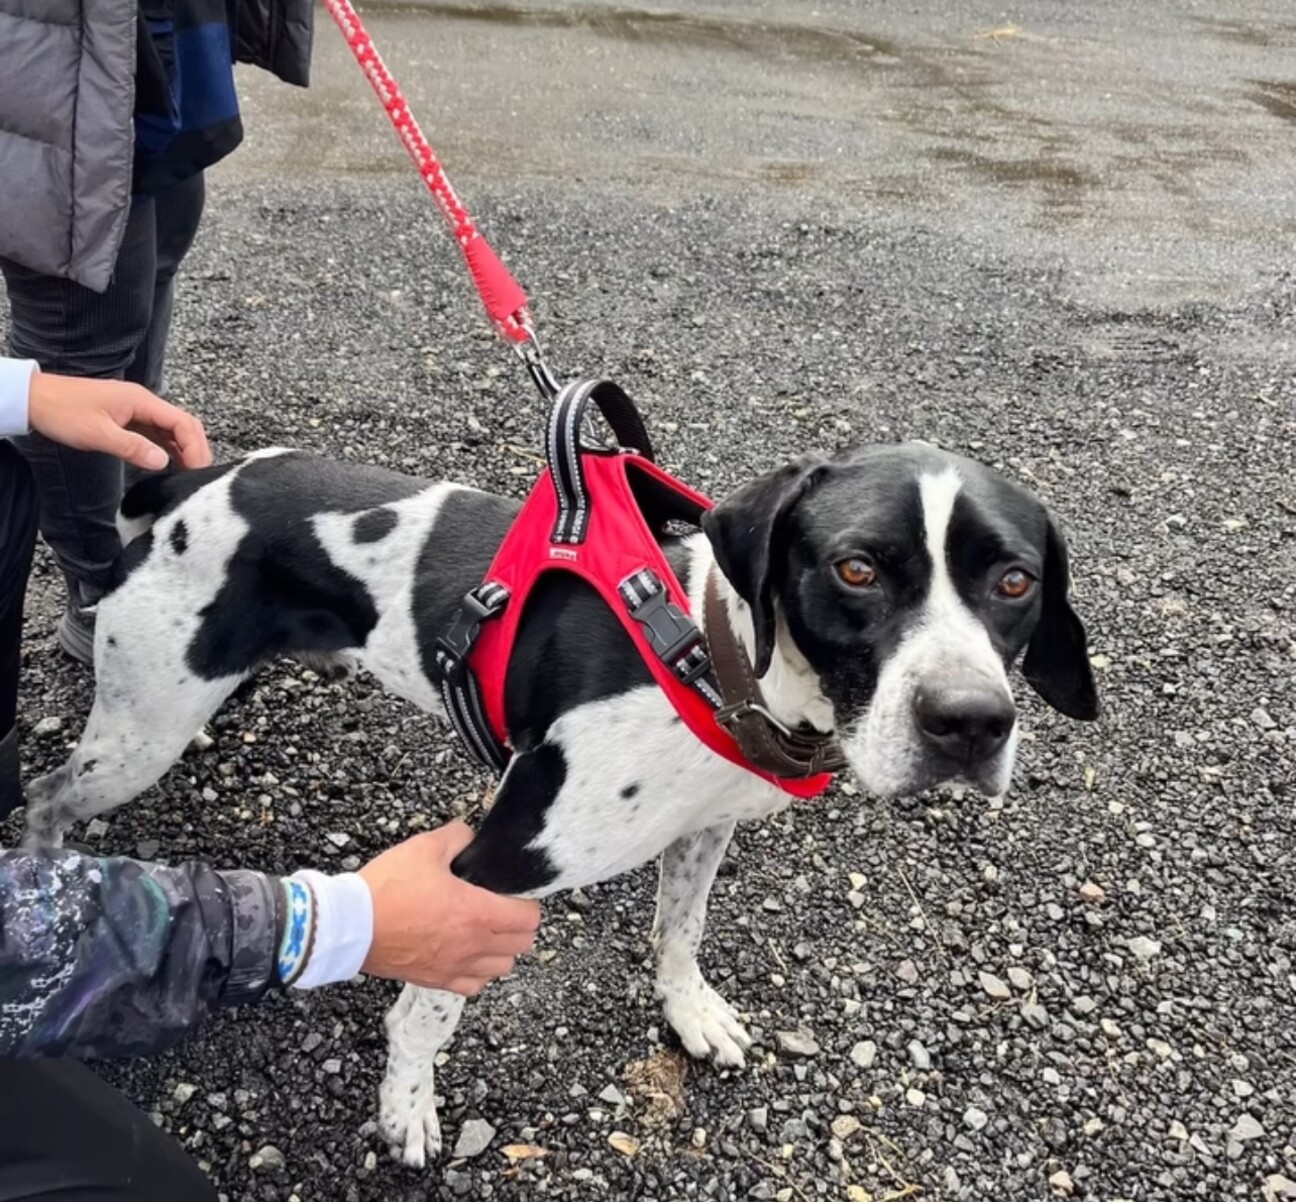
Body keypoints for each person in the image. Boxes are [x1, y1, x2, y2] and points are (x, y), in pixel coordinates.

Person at [0, 364, 541, 1197]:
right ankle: (46, 824)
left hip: (246, 520)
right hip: (211, 561)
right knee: (123, 764)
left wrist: (19, 394)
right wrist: (333, 923)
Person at [0, 0, 314, 664]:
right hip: (58, 44)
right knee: (81, 326)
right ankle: (102, 592)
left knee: (152, 258)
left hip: (151, 29)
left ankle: (137, 521)